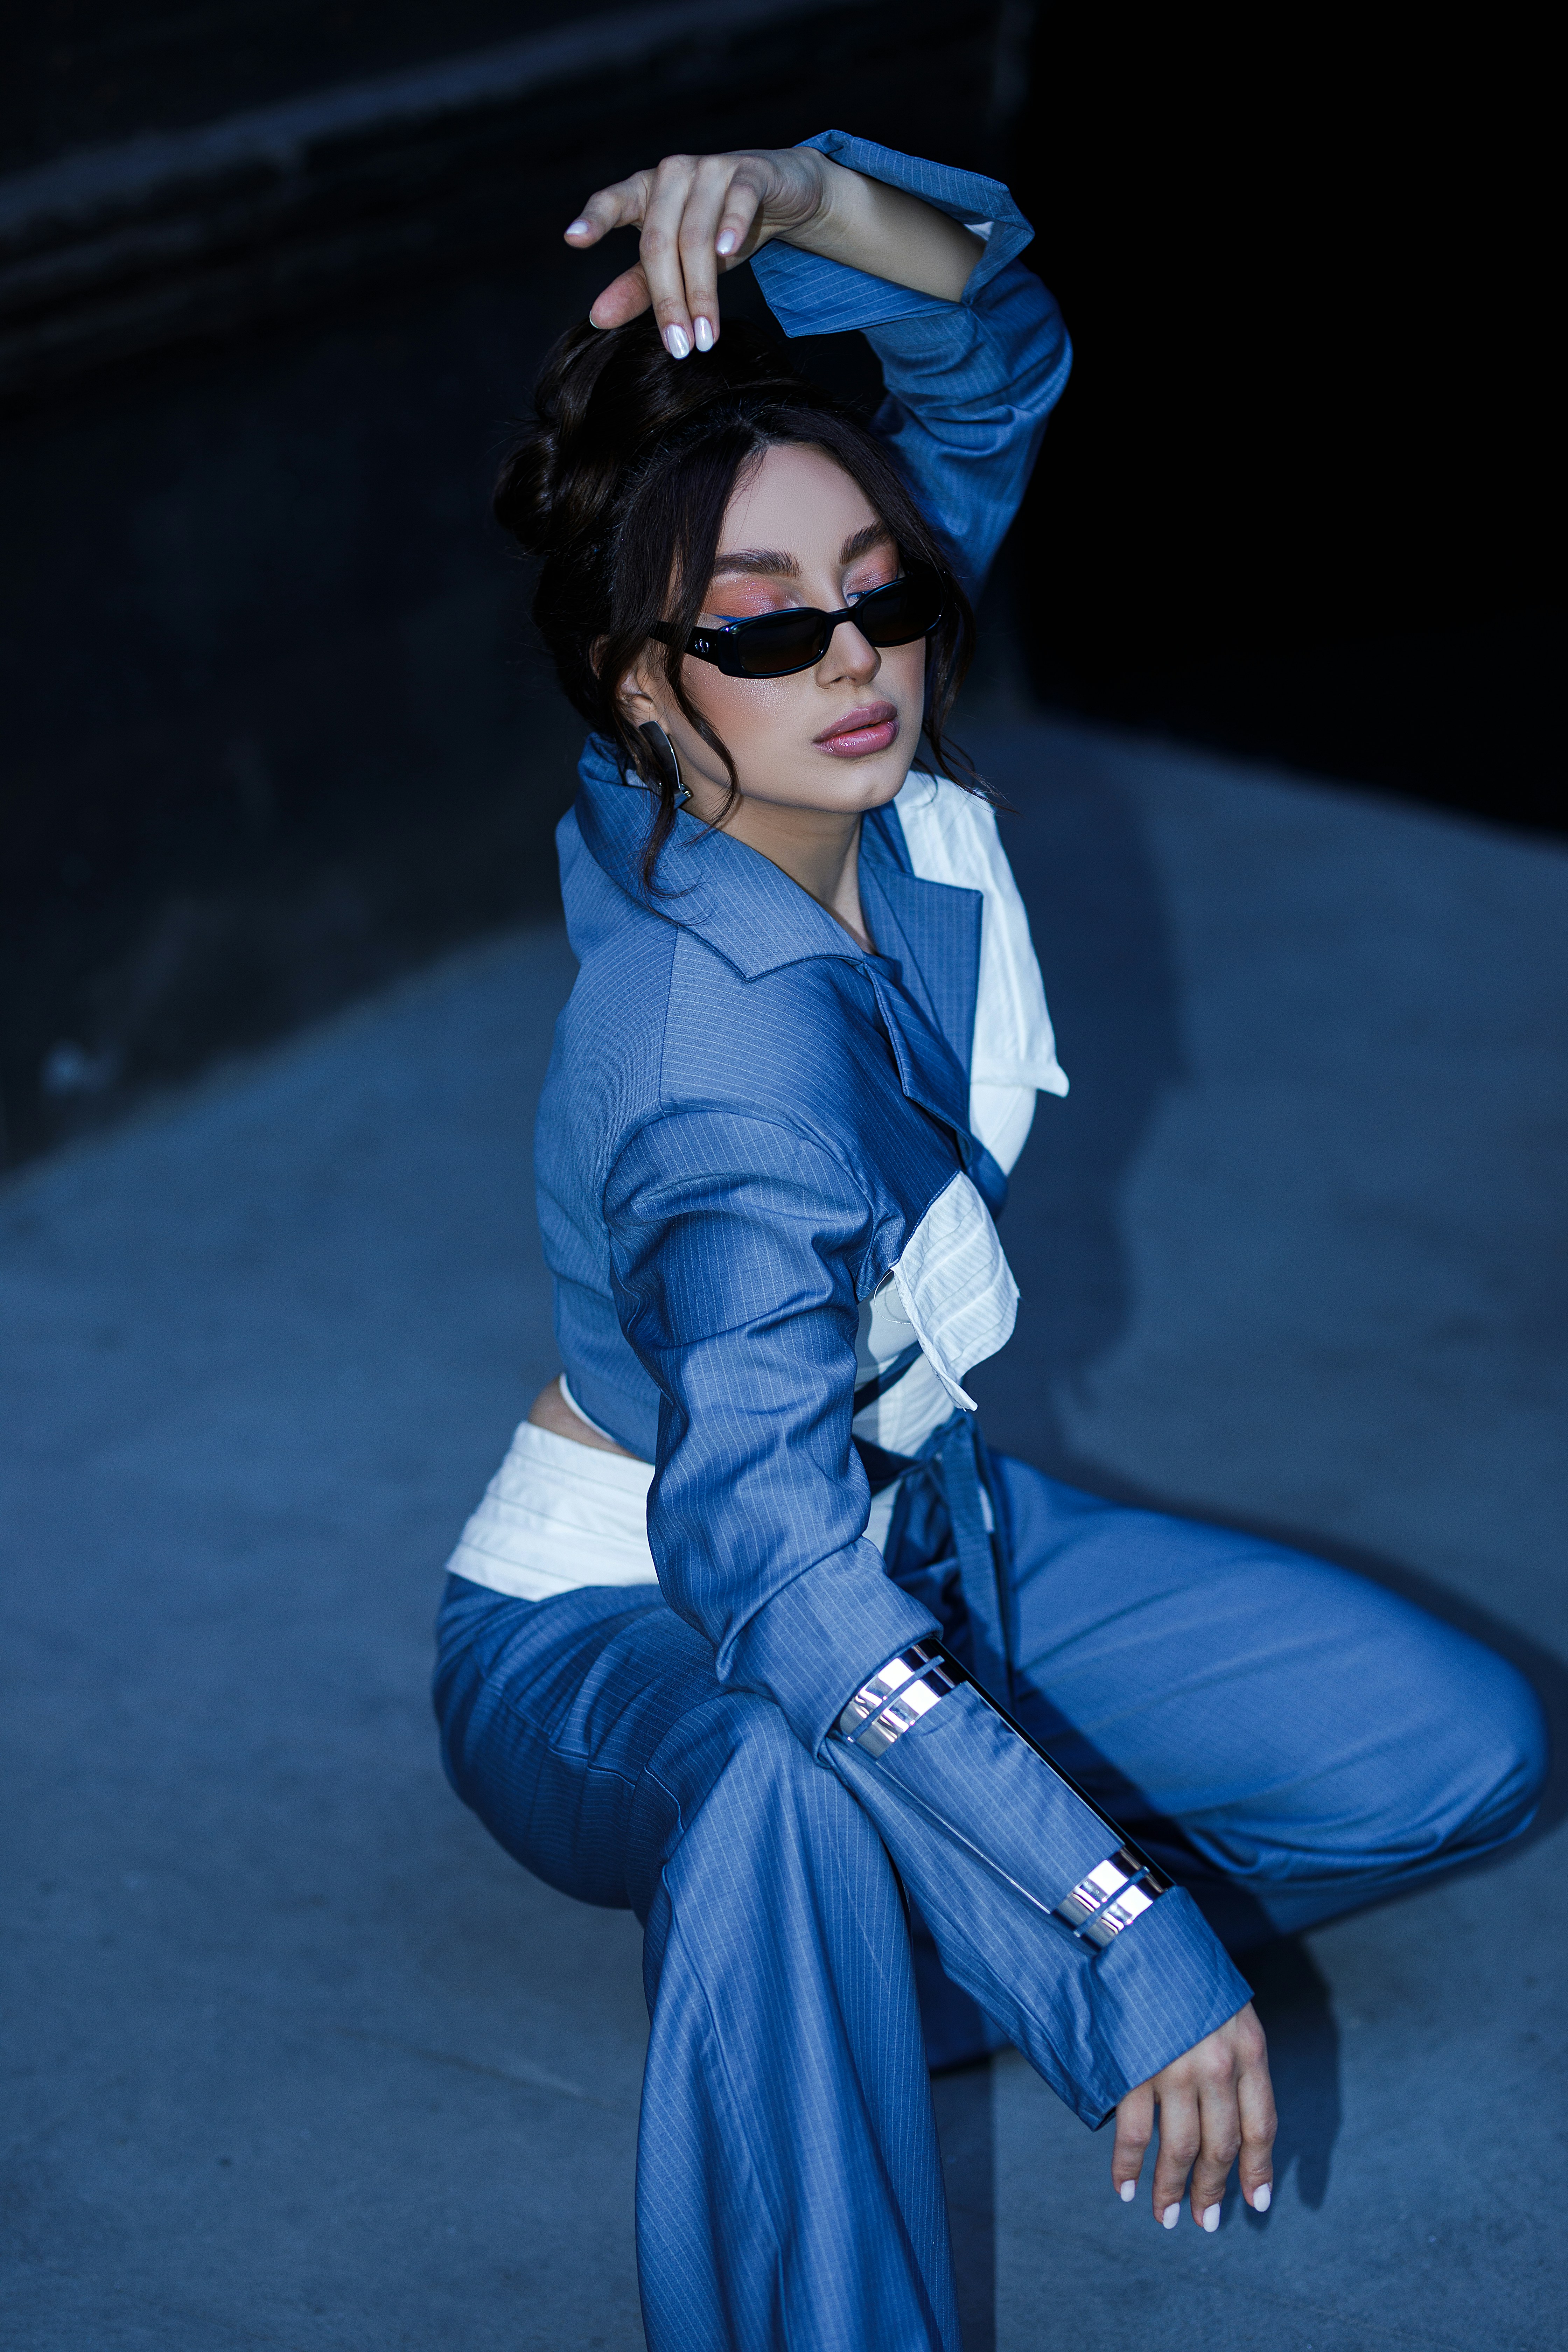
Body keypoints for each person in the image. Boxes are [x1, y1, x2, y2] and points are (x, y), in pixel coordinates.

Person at [431, 133, 1546, 2352]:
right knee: (779, 1773)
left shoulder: (842, 759)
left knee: (1455, 1749)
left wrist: (798, 199)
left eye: (886, 591)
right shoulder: (712, 1065)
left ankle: (864, 1943)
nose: (851, 650)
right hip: (635, 1618)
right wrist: (1118, 1929)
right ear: (644, 689)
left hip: (927, 1521)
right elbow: (768, 1573)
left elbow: (993, 355)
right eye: (759, 614)